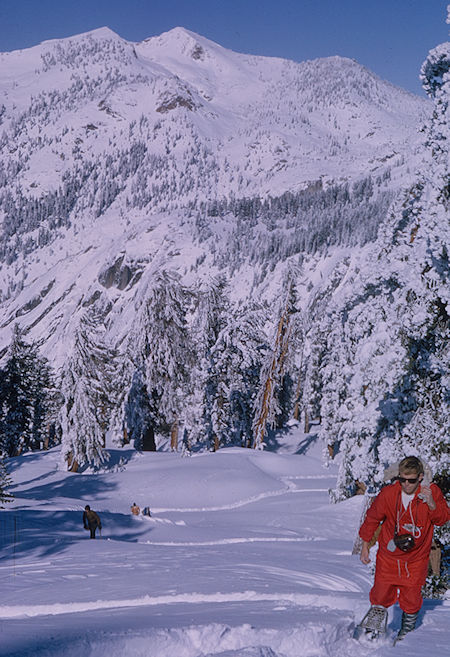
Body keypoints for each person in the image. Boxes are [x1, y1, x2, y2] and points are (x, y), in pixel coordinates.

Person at [359, 456, 449, 642]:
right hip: (389, 556)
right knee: (380, 592)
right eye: (402, 480)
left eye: (411, 480)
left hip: (416, 558)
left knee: (411, 596)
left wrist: (432, 503)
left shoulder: (430, 492)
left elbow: (442, 518)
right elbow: (372, 518)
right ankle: (374, 626)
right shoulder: (389, 494)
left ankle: (406, 633)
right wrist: (365, 545)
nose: (406, 484)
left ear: (420, 477)